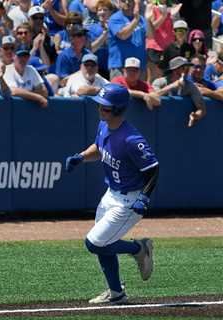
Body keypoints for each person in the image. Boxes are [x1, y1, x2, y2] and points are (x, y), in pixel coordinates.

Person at [65, 83, 158, 305]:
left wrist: (144, 197)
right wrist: (81, 156)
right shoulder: (104, 126)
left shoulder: (131, 140)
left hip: (130, 199)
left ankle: (139, 248)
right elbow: (99, 148)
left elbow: (153, 169)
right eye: (100, 106)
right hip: (111, 194)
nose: (100, 110)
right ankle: (117, 293)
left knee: (95, 243)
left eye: (105, 108)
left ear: (117, 109)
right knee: (104, 246)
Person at [107, 0, 147, 80]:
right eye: (123, 1)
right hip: (120, 66)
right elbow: (123, 35)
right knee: (120, 92)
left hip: (139, 66)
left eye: (130, 0)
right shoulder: (115, 18)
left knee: (140, 92)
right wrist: (135, 20)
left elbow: (151, 35)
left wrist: (148, 19)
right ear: (118, 2)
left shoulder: (141, 19)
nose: (127, 2)